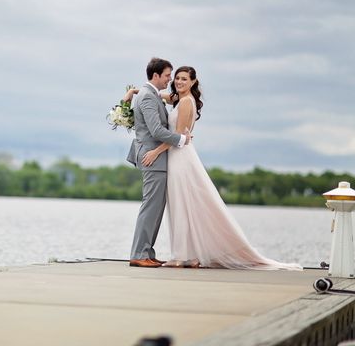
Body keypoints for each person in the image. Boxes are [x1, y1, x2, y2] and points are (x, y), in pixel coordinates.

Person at [127, 65, 301, 270]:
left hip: (178, 157)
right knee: (181, 205)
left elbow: (180, 137)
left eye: (184, 79)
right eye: (176, 78)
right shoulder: (178, 99)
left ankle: (184, 254)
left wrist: (156, 151)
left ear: (193, 81)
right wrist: (135, 91)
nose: (178, 82)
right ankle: (185, 254)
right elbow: (160, 96)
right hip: (176, 157)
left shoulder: (184, 103)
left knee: (182, 204)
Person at [126, 58, 191, 268]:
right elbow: (156, 131)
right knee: (150, 207)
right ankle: (139, 253)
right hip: (152, 157)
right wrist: (181, 139)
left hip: (158, 158)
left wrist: (130, 93)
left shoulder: (150, 94)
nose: (169, 79)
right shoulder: (148, 96)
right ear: (156, 76)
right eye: (167, 75)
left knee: (156, 208)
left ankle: (147, 252)